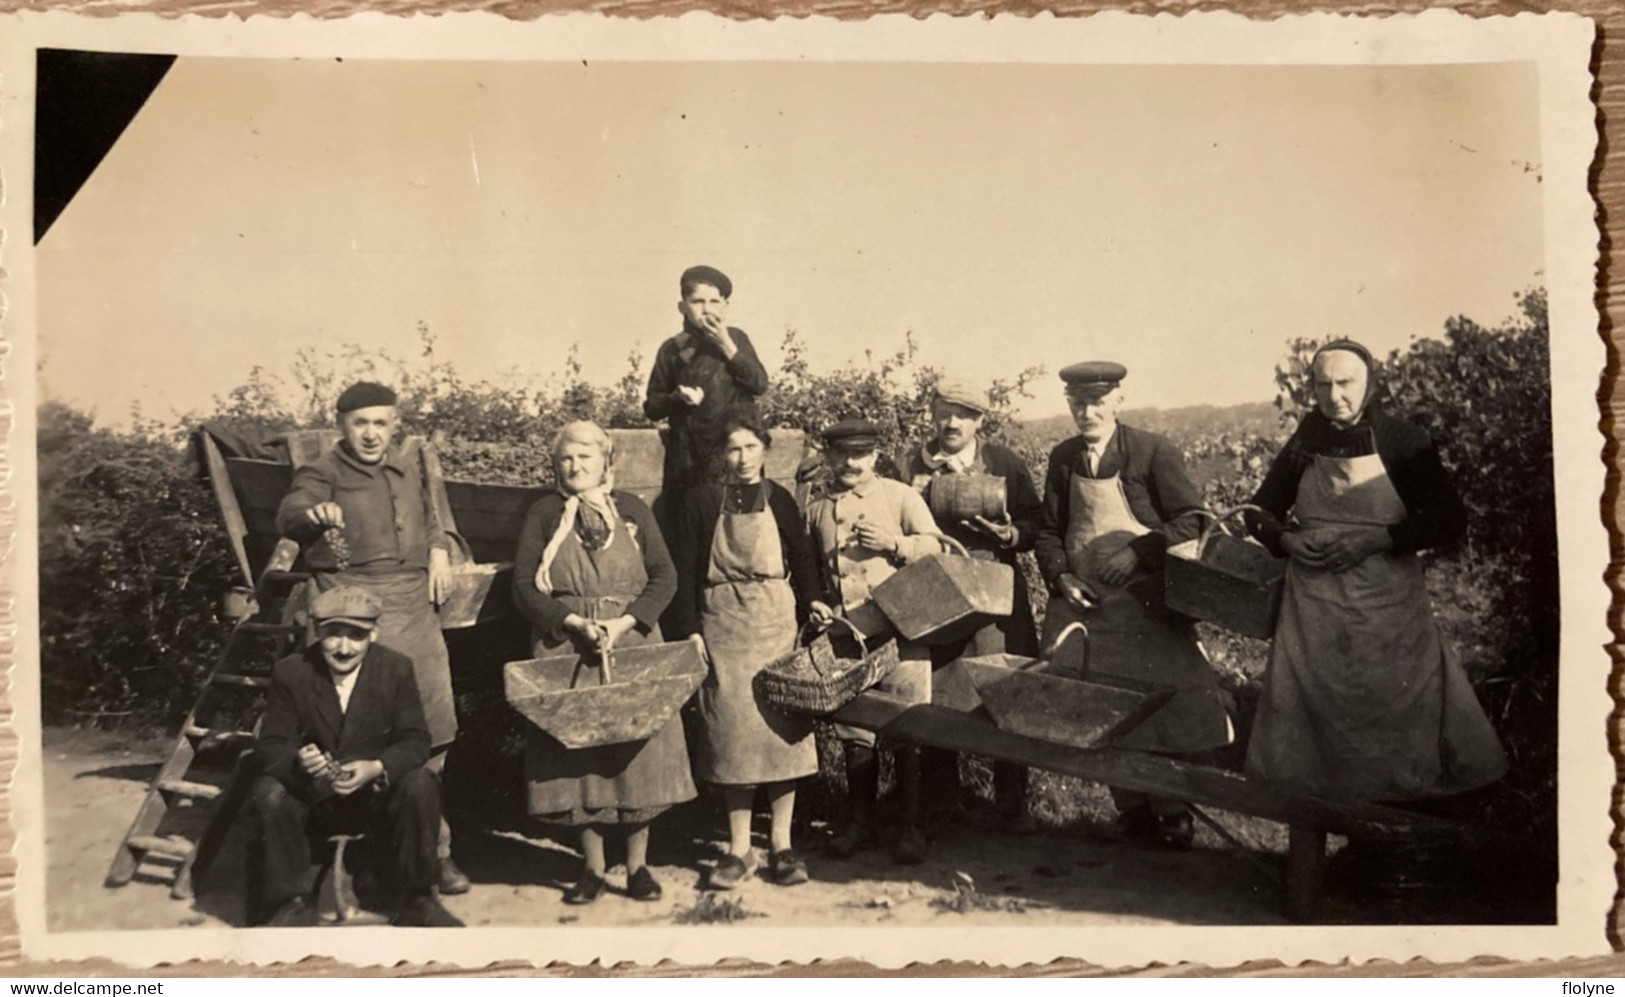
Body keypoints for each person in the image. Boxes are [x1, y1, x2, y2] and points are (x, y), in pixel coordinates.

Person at [1244, 340, 1507, 801]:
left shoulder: (1402, 441)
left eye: (1345, 383)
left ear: (1370, 384)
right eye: (1322, 385)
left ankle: (1400, 826)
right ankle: (1323, 824)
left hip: (1387, 605)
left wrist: (1377, 539)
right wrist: (1286, 539)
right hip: (1315, 608)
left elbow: (1449, 519)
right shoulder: (1307, 440)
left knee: (1394, 712)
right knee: (1320, 716)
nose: (1334, 396)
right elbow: (1259, 510)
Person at [274, 381, 468, 895]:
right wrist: (311, 515)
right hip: (354, 607)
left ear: (394, 424)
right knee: (351, 733)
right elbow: (290, 512)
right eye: (360, 422)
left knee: (430, 731)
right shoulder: (322, 472)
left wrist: (441, 551)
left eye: (381, 423)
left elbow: (431, 519)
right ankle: (357, 855)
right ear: (341, 424)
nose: (371, 433)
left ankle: (433, 852)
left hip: (414, 609)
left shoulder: (407, 467)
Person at [1033, 362, 1231, 849]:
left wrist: (1138, 551)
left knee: (1165, 709)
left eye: (1098, 402)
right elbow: (1047, 532)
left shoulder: (1151, 451)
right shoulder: (1063, 459)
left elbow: (1195, 519)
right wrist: (1061, 578)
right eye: (1078, 404)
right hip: (1090, 609)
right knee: (1102, 708)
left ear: (1118, 401)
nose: (1088, 412)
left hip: (1147, 609)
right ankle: (1132, 809)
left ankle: (1174, 812)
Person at [511, 420, 696, 905]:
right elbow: (525, 587)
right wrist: (570, 621)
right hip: (567, 645)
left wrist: (624, 623)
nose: (575, 467)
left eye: (586, 458)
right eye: (567, 458)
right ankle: (592, 869)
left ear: (607, 463)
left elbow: (665, 576)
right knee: (578, 758)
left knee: (638, 752)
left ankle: (638, 868)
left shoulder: (632, 510)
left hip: (630, 640)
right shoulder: (545, 514)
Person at [671, 409, 829, 890]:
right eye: (733, 449)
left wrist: (816, 600)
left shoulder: (779, 499)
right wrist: (690, 629)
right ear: (722, 455)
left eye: (751, 448)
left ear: (765, 450)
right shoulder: (699, 501)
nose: (742, 459)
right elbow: (682, 569)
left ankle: (781, 845)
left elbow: (801, 556)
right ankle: (739, 850)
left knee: (783, 731)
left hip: (775, 621)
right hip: (723, 624)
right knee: (731, 734)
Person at [250, 586, 463, 928]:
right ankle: (289, 902)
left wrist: (377, 767)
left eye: (357, 636)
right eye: (334, 634)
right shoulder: (292, 672)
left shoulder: (395, 668)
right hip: (315, 800)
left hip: (375, 800)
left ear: (374, 634)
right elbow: (271, 743)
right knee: (269, 792)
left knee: (421, 783)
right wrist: (298, 762)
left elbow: (415, 739)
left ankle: (418, 898)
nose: (344, 647)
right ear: (318, 633)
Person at [904, 376, 1043, 834]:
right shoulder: (913, 464)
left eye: (962, 414)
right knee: (941, 686)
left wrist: (1012, 535)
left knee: (1005, 684)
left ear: (979, 420)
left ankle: (1011, 801)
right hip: (940, 591)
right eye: (944, 412)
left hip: (995, 590)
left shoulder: (1002, 462)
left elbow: (1034, 521)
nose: (951, 422)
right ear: (933, 414)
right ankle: (944, 800)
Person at [806, 417, 944, 864]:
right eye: (842, 454)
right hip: (849, 638)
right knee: (855, 728)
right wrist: (819, 604)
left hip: (902, 631)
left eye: (860, 454)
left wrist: (894, 543)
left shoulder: (899, 496)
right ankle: (859, 821)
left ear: (875, 455)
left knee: (908, 725)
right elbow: (812, 571)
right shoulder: (818, 508)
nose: (851, 463)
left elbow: (936, 548)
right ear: (828, 457)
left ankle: (911, 825)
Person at [643, 265, 772, 494]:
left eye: (714, 302)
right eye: (698, 302)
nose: (707, 309)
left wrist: (727, 346)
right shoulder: (672, 349)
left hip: (734, 457)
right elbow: (652, 407)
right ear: (682, 307)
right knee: (692, 523)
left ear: (725, 307)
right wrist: (677, 398)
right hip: (688, 461)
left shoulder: (737, 339)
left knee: (740, 521)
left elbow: (759, 384)